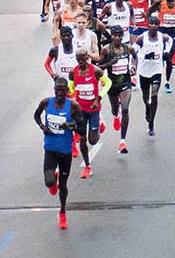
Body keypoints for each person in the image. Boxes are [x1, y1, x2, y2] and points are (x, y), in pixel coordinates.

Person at [34, 76, 83, 229]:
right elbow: (36, 116)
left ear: (67, 91)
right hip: (50, 148)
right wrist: (42, 126)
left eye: (63, 91)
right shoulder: (46, 103)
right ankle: (52, 180)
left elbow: (82, 130)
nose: (60, 93)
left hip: (65, 151)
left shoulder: (73, 106)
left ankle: (62, 212)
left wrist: (71, 126)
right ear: (54, 90)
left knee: (63, 185)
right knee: (49, 182)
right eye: (57, 90)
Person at [100, 25, 136, 154]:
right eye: (114, 35)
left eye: (119, 35)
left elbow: (135, 57)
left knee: (125, 110)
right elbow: (99, 67)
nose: (117, 38)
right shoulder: (106, 50)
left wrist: (133, 67)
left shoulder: (128, 48)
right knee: (115, 109)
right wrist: (110, 63)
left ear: (122, 36)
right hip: (112, 85)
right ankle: (116, 115)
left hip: (125, 83)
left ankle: (122, 142)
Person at [70, 50, 105, 180]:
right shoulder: (73, 72)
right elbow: (71, 88)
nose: (80, 61)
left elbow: (108, 83)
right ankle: (87, 165)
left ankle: (101, 123)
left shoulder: (95, 70)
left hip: (94, 109)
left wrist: (99, 98)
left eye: (83, 58)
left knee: (93, 140)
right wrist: (72, 97)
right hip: (81, 110)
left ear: (87, 57)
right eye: (78, 59)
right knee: (83, 139)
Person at [134, 15, 171, 135]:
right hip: (144, 71)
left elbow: (170, 40)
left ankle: (151, 124)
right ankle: (147, 107)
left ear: (158, 26)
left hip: (157, 69)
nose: (153, 26)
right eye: (151, 24)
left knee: (154, 94)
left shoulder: (162, 37)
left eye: (156, 24)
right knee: (146, 97)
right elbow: (133, 51)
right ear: (148, 25)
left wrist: (166, 51)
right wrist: (143, 56)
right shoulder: (141, 38)